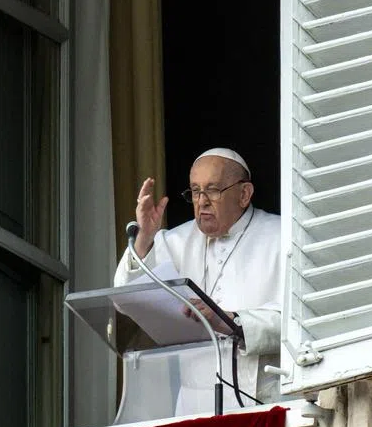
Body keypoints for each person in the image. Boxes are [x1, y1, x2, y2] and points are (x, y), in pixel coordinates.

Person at [114, 147, 282, 412]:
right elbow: (124, 299)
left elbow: (300, 323)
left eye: (213, 190)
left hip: (263, 402)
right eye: (195, 190)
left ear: (244, 194)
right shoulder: (174, 241)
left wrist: (233, 323)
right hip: (193, 406)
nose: (201, 201)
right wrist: (145, 238)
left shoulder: (282, 237)